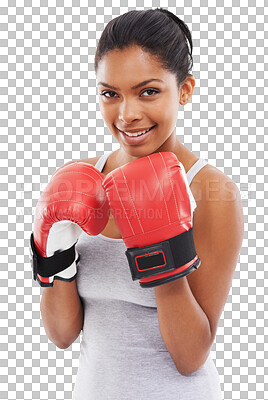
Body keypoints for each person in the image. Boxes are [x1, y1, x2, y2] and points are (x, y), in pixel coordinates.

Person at [30, 8, 244, 400]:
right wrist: (55, 250)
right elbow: (61, 336)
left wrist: (159, 247)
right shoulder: (79, 180)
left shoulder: (212, 193)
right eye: (110, 93)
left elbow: (190, 356)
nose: (127, 115)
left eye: (148, 91)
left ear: (184, 90)